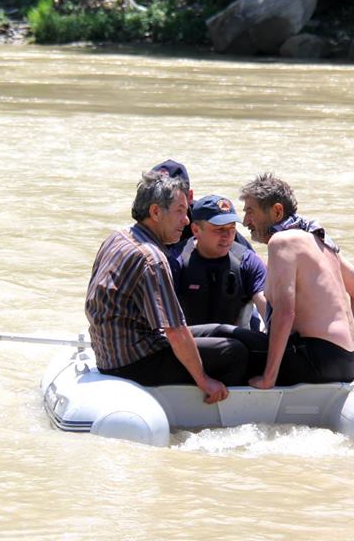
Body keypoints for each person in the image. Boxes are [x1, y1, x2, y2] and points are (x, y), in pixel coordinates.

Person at [85, 170, 246, 403]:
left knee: (221, 330)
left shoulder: (117, 237)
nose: (187, 220)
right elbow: (175, 330)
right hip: (133, 362)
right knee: (233, 352)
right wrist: (203, 379)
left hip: (109, 354)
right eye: (180, 211)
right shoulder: (151, 258)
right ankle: (216, 411)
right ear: (155, 212)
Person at [235, 173, 354, 388]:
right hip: (348, 362)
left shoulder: (282, 241)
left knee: (227, 342)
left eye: (250, 212)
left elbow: (284, 313)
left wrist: (268, 378)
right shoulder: (317, 240)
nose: (245, 222)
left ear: (277, 211)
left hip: (316, 359)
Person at [174, 194, 268, 329]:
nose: (228, 236)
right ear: (196, 230)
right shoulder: (176, 262)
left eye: (232, 228)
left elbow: (265, 307)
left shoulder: (248, 261)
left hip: (237, 344)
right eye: (219, 229)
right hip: (190, 342)